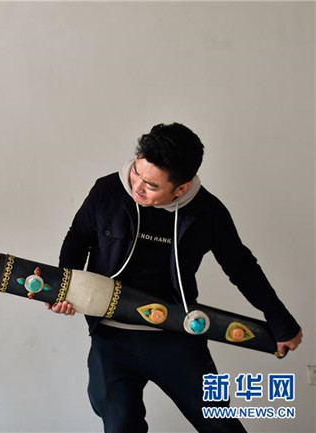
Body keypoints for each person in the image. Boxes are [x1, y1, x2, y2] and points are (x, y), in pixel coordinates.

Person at [47, 123, 302, 432]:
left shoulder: (208, 212)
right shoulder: (107, 190)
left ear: (181, 188)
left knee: (220, 425)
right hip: (112, 337)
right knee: (121, 425)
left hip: (177, 333)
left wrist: (281, 321)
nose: (137, 185)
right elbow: (78, 239)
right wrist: (63, 289)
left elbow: (241, 268)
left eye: (151, 185)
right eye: (136, 171)